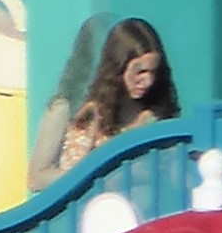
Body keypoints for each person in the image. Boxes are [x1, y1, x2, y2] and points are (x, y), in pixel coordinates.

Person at [40, 17, 180, 180]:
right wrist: (90, 175)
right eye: (140, 71)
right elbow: (36, 177)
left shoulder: (156, 118)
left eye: (153, 72)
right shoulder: (69, 108)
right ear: (118, 67)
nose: (148, 81)